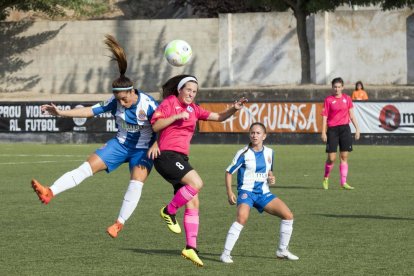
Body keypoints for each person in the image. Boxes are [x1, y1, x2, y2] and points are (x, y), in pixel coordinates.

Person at [31, 34, 159, 239]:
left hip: (143, 149)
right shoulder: (115, 100)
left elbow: (166, 125)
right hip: (120, 144)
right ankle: (50, 192)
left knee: (136, 182)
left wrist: (158, 143)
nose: (122, 103)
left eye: (125, 99)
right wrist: (61, 112)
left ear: (133, 92)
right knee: (85, 168)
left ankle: (118, 224)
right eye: (119, 100)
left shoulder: (149, 105)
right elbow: (90, 111)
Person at [150, 74, 247, 267]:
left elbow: (218, 117)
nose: (191, 94)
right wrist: (176, 116)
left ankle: (190, 248)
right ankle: (168, 211)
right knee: (197, 183)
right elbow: (156, 124)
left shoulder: (194, 109)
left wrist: (233, 109)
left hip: (180, 159)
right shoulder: (170, 103)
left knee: (193, 202)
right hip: (167, 156)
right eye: (188, 90)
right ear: (179, 90)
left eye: (194, 92)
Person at [219, 122, 299, 263]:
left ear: (264, 136)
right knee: (241, 218)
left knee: (288, 215)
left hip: (263, 193)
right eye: (252, 133)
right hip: (246, 192)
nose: (254, 135)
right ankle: (225, 254)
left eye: (258, 133)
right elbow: (228, 172)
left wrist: (271, 178)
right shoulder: (243, 153)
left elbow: (269, 171)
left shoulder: (270, 152)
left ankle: (282, 250)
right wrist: (229, 192)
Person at [321, 77, 361, 190]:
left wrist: (357, 129)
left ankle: (343, 182)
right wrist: (323, 132)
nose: (337, 89)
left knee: (344, 156)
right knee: (332, 158)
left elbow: (352, 115)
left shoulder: (347, 99)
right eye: (335, 87)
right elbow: (324, 117)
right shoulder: (328, 100)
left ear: (342, 87)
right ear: (332, 87)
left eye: (339, 87)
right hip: (333, 130)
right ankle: (326, 178)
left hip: (345, 129)